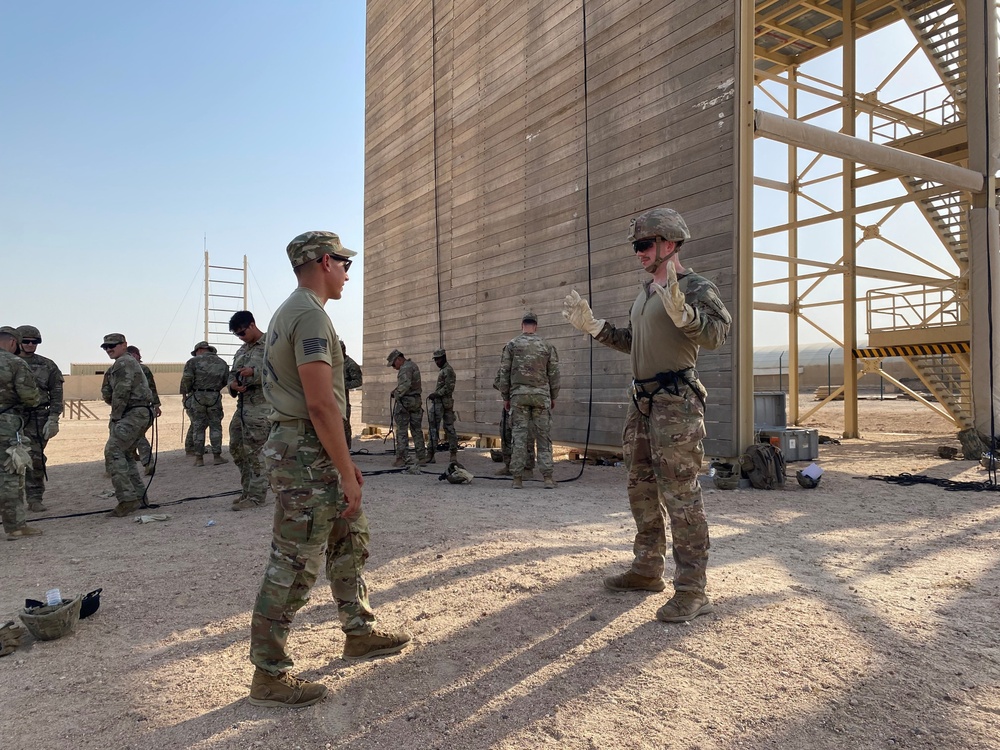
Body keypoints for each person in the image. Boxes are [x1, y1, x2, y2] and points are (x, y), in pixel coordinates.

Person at [248, 230, 409, 708]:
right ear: (324, 262)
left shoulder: (291, 312)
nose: (346, 273)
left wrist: (345, 462)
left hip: (311, 447)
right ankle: (268, 674)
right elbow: (319, 404)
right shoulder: (309, 316)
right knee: (294, 562)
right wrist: (342, 469)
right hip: (306, 452)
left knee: (348, 536)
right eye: (344, 263)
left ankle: (358, 629)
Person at [562, 206, 732, 623]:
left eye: (643, 244)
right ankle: (646, 569)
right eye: (636, 246)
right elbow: (633, 341)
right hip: (642, 403)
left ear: (669, 244)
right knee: (640, 489)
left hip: (676, 404)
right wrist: (596, 328)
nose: (637, 252)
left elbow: (716, 333)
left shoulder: (693, 287)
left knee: (681, 495)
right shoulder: (646, 292)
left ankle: (693, 591)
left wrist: (687, 315)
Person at [498, 311, 559, 490]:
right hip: (541, 396)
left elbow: (504, 373)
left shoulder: (512, 345)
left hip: (519, 396)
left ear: (522, 325)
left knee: (519, 436)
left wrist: (505, 397)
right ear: (536, 326)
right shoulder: (547, 346)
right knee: (543, 436)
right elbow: (554, 374)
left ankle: (517, 478)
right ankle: (547, 477)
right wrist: (553, 396)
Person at [100, 333, 155, 518]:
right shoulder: (124, 363)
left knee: (113, 450)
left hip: (133, 412)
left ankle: (127, 499)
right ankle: (139, 497)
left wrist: (115, 417)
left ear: (124, 345)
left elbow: (121, 391)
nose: (109, 349)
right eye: (105, 347)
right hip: (139, 412)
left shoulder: (123, 363)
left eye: (113, 345)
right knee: (126, 455)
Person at [0, 326, 43, 540]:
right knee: (10, 475)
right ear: (13, 343)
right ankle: (15, 526)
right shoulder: (16, 363)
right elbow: (30, 397)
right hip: (6, 424)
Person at [16, 325, 64, 512]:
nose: (30, 345)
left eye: (34, 342)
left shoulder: (47, 365)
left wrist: (53, 418)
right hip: (11, 417)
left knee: (34, 459)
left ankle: (35, 497)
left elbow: (57, 393)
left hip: (38, 418)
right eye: (26, 341)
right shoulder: (7, 363)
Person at [228, 311, 269, 511]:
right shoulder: (241, 351)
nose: (241, 337)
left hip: (262, 407)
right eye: (237, 335)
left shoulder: (273, 345)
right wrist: (233, 385)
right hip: (242, 407)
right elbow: (231, 375)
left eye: (242, 332)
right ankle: (247, 491)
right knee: (236, 448)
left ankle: (256, 496)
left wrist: (255, 373)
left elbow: (282, 371)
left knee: (255, 452)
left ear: (252, 325)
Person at [180, 341, 230, 466]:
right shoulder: (222, 363)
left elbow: (187, 380)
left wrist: (185, 395)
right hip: (215, 396)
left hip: (197, 397)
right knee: (216, 426)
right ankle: (217, 456)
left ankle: (199, 459)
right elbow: (226, 380)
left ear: (200, 350)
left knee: (198, 427)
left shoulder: (193, 362)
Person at [493, 343, 535, 477]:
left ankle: (527, 468)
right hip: (508, 403)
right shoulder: (504, 368)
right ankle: (509, 464)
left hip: (523, 403)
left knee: (525, 434)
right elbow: (497, 381)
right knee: (505, 433)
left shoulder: (526, 365)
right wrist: (506, 389)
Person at [387, 349, 426, 468]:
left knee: (402, 431)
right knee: (416, 430)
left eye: (394, 364)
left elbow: (405, 385)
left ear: (399, 359)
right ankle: (421, 457)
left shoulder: (405, 368)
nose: (394, 367)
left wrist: (396, 393)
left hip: (406, 403)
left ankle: (401, 458)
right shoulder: (413, 365)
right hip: (416, 401)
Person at [126, 346, 161, 476]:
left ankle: (147, 462)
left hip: (130, 409)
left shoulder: (117, 368)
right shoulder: (144, 369)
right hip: (145, 408)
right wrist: (156, 404)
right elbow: (152, 388)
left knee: (135, 436)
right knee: (137, 435)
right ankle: (142, 459)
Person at [426, 348, 458, 464]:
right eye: (435, 360)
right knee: (435, 428)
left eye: (438, 359)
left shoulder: (448, 370)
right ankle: (431, 454)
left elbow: (449, 387)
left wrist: (436, 394)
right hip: (443, 402)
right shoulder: (444, 370)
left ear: (444, 358)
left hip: (442, 402)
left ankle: (452, 454)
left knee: (446, 428)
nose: (437, 362)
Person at [342, 341, 362, 448]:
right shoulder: (333, 362)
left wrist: (343, 385)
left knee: (344, 426)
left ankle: (346, 450)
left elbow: (358, 381)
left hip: (343, 401)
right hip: (330, 399)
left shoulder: (351, 364)